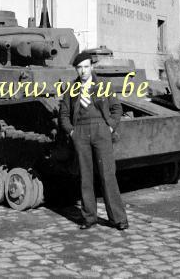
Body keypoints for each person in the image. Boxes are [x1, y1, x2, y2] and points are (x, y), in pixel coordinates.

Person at [59, 52, 129, 231]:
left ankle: (118, 219)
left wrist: (110, 127)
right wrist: (72, 132)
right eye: (79, 67)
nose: (83, 71)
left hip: (101, 130)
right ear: (76, 69)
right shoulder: (71, 88)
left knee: (108, 174)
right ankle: (89, 217)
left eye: (86, 67)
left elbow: (117, 108)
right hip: (80, 131)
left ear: (91, 67)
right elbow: (64, 115)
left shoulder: (103, 85)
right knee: (85, 176)